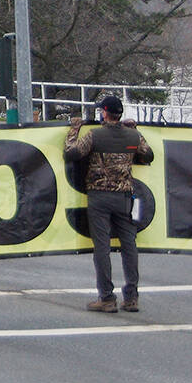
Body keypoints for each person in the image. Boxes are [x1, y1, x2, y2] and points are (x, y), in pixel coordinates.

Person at [65, 95, 154, 313]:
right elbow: (148, 155)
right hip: (125, 197)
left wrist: (74, 129)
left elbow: (71, 153)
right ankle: (131, 297)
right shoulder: (133, 135)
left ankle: (106, 297)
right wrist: (134, 131)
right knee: (129, 246)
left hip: (100, 197)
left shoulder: (95, 135)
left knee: (102, 248)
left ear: (104, 113)